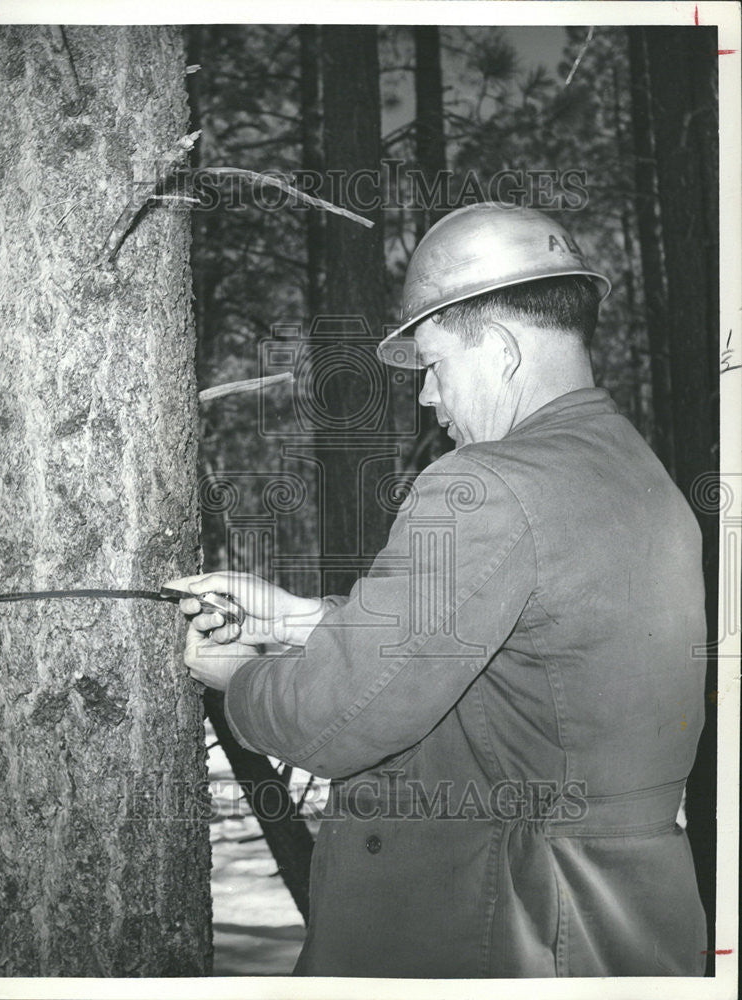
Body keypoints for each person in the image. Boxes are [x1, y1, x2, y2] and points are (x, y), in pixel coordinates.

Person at [167, 204, 707, 978]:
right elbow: (516, 660)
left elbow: (335, 719)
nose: (426, 397)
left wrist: (238, 679)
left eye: (432, 365)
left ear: (498, 348)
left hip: (496, 927)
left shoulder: (488, 484)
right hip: (616, 924)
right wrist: (299, 621)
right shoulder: (637, 477)